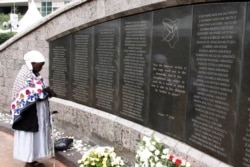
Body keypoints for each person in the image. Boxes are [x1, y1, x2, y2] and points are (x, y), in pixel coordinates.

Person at [10, 50, 56, 167]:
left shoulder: (35, 74)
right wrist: (45, 92)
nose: (41, 67)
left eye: (42, 65)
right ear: (32, 63)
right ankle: (28, 162)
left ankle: (32, 159)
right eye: (40, 64)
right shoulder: (25, 75)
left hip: (37, 112)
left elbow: (39, 89)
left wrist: (47, 91)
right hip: (28, 114)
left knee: (36, 137)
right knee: (29, 137)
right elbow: (28, 94)